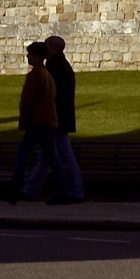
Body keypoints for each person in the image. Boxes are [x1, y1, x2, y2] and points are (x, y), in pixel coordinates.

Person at [9, 40, 61, 204]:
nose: (27, 57)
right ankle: (62, 189)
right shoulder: (47, 74)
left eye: (30, 54)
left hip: (37, 122)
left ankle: (15, 190)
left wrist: (24, 121)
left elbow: (27, 101)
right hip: (48, 121)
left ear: (37, 56)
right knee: (53, 159)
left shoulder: (35, 75)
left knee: (22, 157)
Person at [42, 34, 86, 204]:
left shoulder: (56, 67)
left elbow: (52, 95)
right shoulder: (58, 65)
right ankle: (72, 190)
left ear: (53, 49)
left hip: (57, 118)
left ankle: (73, 190)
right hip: (60, 117)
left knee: (62, 155)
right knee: (54, 155)